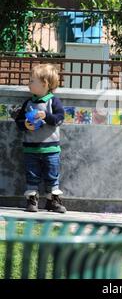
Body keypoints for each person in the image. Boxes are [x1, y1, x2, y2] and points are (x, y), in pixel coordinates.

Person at [15, 64, 66, 213]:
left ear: (44, 84)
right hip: (31, 147)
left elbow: (60, 119)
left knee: (52, 175)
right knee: (32, 175)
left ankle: (53, 200)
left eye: (32, 81)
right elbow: (18, 121)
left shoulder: (53, 101)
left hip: (51, 148)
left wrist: (47, 116)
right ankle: (32, 200)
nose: (28, 84)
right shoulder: (29, 103)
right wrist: (25, 124)